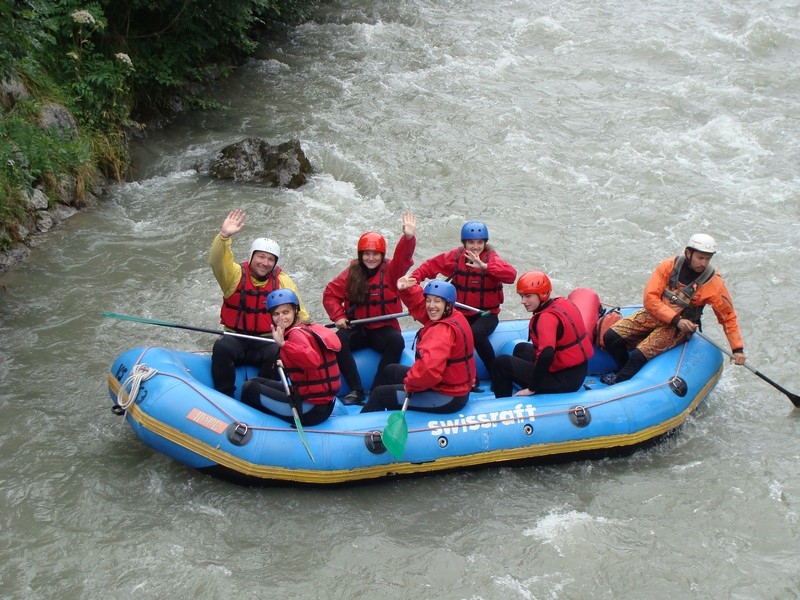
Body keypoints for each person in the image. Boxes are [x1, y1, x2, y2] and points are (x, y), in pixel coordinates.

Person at [602, 234, 747, 385]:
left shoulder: (714, 284)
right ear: (688, 253)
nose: (703, 263)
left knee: (639, 354)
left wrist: (737, 349)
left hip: (681, 327)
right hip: (658, 314)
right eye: (700, 258)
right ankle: (624, 370)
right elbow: (650, 298)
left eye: (707, 259)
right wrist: (675, 319)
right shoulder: (668, 266)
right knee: (610, 337)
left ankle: (619, 382)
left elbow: (728, 317)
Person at [209, 209, 310, 398]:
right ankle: (225, 396)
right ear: (252, 257)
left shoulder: (283, 281)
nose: (265, 263)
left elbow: (300, 315)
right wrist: (224, 237)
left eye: (270, 259)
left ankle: (257, 394)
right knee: (222, 347)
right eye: (261, 257)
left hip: (266, 340)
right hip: (235, 338)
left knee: (279, 351)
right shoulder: (233, 275)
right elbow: (217, 262)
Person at [323, 212, 417, 405]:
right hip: (359, 327)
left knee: (396, 341)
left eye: (375, 254)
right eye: (367, 254)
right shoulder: (351, 273)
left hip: (383, 328)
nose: (371, 258)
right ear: (360, 255)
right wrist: (338, 316)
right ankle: (356, 389)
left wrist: (408, 239)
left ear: (382, 255)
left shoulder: (391, 271)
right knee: (338, 340)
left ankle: (377, 390)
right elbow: (330, 294)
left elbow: (403, 259)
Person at [411, 220, 516, 388]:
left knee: (475, 334)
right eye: (471, 242)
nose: (475, 247)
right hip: (461, 313)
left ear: (485, 243)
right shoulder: (456, 257)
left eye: (480, 242)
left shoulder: (491, 258)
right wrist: (414, 279)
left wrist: (485, 267)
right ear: (464, 243)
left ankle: (494, 372)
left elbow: (511, 275)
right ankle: (467, 379)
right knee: (447, 334)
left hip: (486, 314)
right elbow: (431, 265)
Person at [361, 279, 475, 414]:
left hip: (446, 396)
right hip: (445, 386)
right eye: (428, 300)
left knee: (380, 394)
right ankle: (385, 411)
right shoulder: (453, 315)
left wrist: (410, 385)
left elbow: (429, 371)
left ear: (448, 305)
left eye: (437, 301)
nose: (431, 306)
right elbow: (419, 305)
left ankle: (365, 422)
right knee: (390, 371)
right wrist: (406, 290)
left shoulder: (442, 331)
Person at [240, 290, 341, 426]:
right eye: (276, 314)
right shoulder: (303, 328)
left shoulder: (295, 335)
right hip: (321, 404)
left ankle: (253, 428)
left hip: (310, 410)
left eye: (286, 312)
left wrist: (283, 344)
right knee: (255, 381)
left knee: (249, 389)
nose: (281, 317)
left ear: (295, 311)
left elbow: (312, 360)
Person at [491, 271, 594, 397]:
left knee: (501, 364)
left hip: (563, 380)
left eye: (528, 296)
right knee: (520, 349)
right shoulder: (561, 303)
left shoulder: (546, 318)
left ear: (543, 294)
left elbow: (546, 354)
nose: (523, 301)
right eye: (521, 296)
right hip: (575, 372)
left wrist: (531, 388)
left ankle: (504, 404)